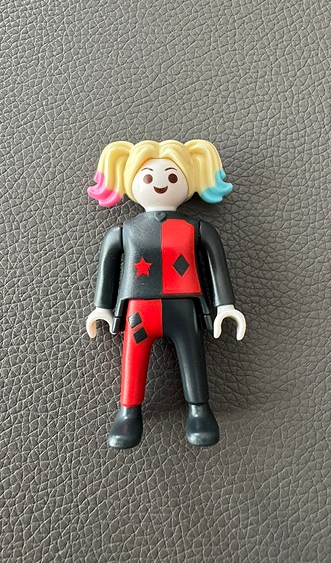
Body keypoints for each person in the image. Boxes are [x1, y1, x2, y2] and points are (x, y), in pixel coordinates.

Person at [86, 140, 246, 449]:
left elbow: (216, 266)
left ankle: (200, 409)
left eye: (172, 177)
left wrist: (225, 305)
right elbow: (108, 267)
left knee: (192, 352)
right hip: (139, 309)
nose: (160, 183)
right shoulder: (124, 231)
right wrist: (102, 307)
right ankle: (128, 412)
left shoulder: (197, 229)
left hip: (184, 306)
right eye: (148, 177)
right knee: (133, 354)